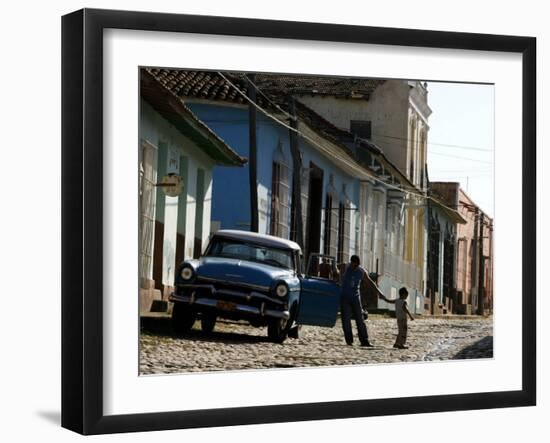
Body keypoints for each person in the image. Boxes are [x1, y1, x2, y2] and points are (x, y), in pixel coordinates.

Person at [339, 255, 383, 347]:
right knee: (346, 319)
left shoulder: (361, 271)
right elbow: (335, 267)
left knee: (360, 318)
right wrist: (337, 274)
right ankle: (349, 340)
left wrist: (379, 293)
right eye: (354, 265)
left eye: (357, 265)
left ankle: (364, 340)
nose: (355, 267)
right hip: (345, 297)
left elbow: (370, 282)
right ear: (351, 262)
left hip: (355, 297)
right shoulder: (345, 266)